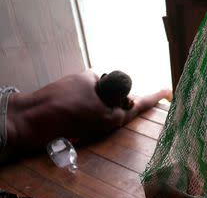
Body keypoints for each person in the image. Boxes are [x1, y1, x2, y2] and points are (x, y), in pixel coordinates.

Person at [0, 69, 172, 163]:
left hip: (6, 98)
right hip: (8, 133)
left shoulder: (88, 75)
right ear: (116, 102)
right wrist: (163, 93)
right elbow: (139, 106)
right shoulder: (105, 115)